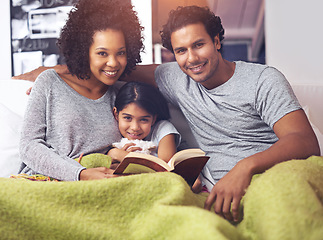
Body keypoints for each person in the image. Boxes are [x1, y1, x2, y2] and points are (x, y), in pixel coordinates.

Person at [15, 5, 320, 223]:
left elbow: (305, 141)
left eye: (199, 45)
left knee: (287, 205)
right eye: (180, 51)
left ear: (217, 41)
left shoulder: (263, 79)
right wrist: (54, 70)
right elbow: (111, 71)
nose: (191, 58)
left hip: (270, 171)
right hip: (203, 188)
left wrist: (245, 168)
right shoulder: (173, 76)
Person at [19, 0, 144, 181]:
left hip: (106, 184)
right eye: (102, 53)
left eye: (121, 53)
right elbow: (29, 147)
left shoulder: (124, 95)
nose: (113, 63)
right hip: (47, 182)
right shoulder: (49, 83)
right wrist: (80, 174)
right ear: (84, 51)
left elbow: (155, 125)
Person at [108, 81, 180, 163]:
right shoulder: (113, 134)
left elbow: (165, 167)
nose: (135, 127)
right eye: (128, 118)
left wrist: (121, 155)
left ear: (153, 119)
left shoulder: (163, 129)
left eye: (143, 120)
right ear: (116, 114)